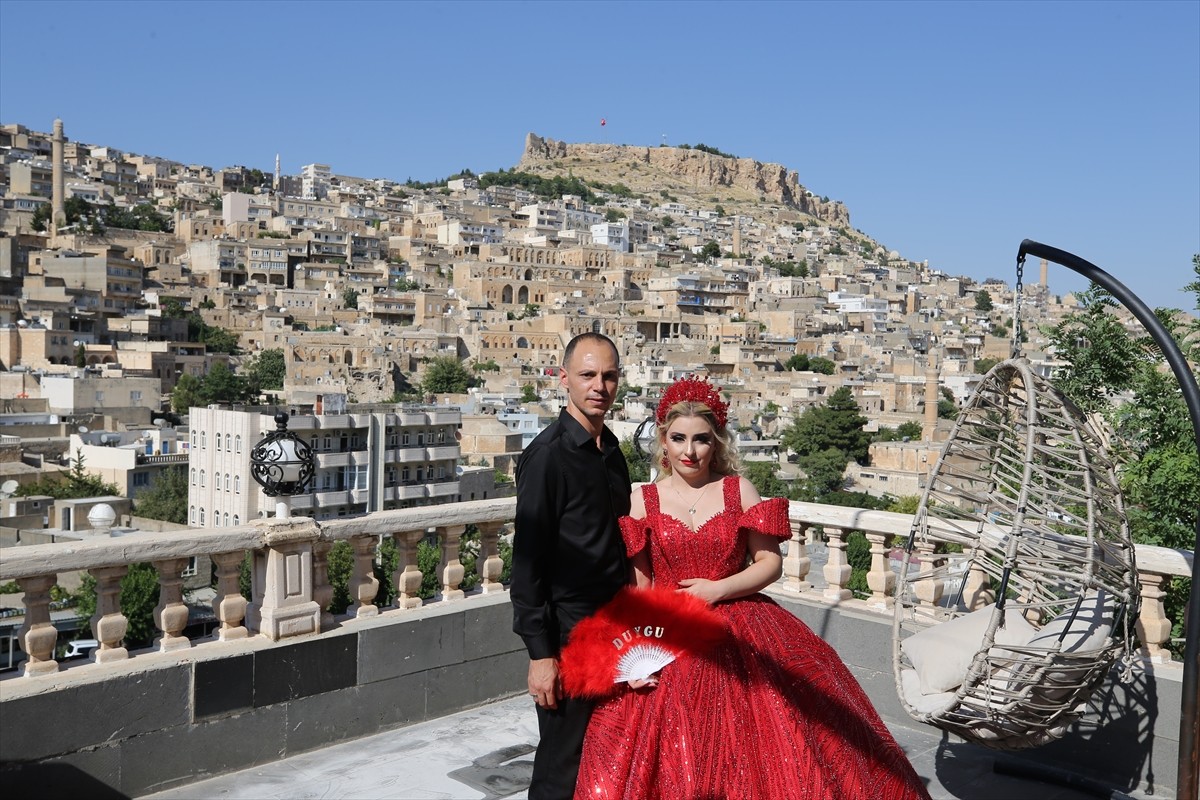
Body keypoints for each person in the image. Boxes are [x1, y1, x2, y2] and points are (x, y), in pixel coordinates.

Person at [574, 377, 931, 800]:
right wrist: (634, 656)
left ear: (717, 443)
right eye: (679, 438)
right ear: (663, 442)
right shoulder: (643, 500)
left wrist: (716, 590)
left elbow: (770, 563)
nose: (690, 451)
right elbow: (642, 587)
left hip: (744, 623)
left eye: (702, 439)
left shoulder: (737, 490)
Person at [512, 331, 632, 800]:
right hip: (569, 637)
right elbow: (528, 562)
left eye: (609, 376)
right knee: (562, 766)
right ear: (564, 379)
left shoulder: (612, 452)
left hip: (616, 630)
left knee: (608, 756)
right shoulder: (547, 456)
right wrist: (541, 655)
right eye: (587, 375)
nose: (599, 386)